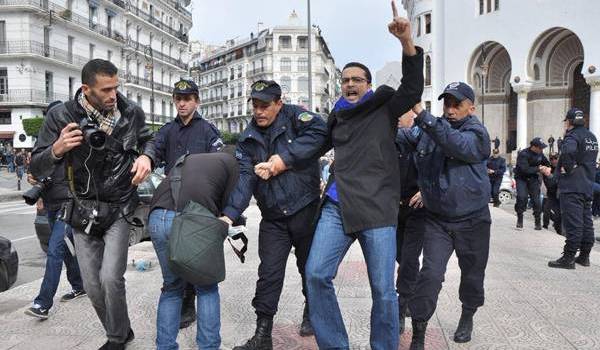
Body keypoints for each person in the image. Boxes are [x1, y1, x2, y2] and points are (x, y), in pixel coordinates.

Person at [305, 4, 424, 349]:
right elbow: (313, 146)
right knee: (316, 274)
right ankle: (334, 344)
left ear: (369, 85)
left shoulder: (384, 105)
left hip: (377, 208)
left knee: (383, 290)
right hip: (337, 205)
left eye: (357, 79)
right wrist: (280, 160)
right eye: (345, 79)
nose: (350, 84)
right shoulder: (336, 115)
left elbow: (413, 89)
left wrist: (407, 43)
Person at [30, 59, 157, 350]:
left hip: (121, 206)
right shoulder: (61, 116)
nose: (114, 95)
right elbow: (38, 166)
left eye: (116, 87)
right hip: (82, 210)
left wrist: (146, 157)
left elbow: (149, 141)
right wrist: (57, 149)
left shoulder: (131, 113)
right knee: (91, 285)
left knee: (111, 278)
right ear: (86, 89)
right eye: (106, 89)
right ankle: (122, 331)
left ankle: (115, 339)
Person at [220, 79, 328, 350]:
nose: (259, 111)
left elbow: (322, 135)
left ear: (279, 103)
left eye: (265, 105)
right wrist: (229, 215)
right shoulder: (246, 139)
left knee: (310, 271)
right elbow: (245, 180)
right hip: (273, 218)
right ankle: (262, 334)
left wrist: (284, 160)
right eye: (255, 105)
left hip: (305, 209)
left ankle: (312, 313)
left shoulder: (297, 117)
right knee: (269, 275)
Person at [396, 82, 491, 350]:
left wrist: (421, 115)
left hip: (473, 221)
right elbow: (403, 137)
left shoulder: (476, 133)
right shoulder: (429, 130)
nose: (449, 109)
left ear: (471, 108)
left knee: (472, 274)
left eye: (456, 104)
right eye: (446, 103)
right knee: (430, 276)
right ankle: (418, 334)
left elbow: (455, 144)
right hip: (438, 220)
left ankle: (467, 315)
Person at [151, 78, 224, 329]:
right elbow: (154, 147)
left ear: (196, 101)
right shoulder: (167, 130)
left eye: (187, 99)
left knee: (196, 260)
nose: (182, 104)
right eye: (178, 99)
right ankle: (183, 302)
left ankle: (189, 302)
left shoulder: (208, 131)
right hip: (172, 203)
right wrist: (145, 156)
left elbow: (220, 164)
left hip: (198, 205)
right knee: (176, 258)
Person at [148, 152, 239, 350]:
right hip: (188, 222)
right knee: (206, 287)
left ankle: (165, 346)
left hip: (157, 218)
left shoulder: (192, 159)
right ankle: (208, 347)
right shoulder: (233, 164)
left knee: (171, 287)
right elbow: (227, 208)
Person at [25, 101, 86, 320]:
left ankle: (43, 304)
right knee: (66, 250)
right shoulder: (46, 147)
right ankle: (79, 285)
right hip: (50, 203)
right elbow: (34, 169)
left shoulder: (75, 142)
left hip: (69, 204)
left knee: (54, 251)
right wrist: (35, 180)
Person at [548, 108, 598, 269]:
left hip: (572, 185)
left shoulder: (573, 136)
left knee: (573, 223)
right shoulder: (591, 137)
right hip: (587, 184)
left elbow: (568, 151)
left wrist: (568, 168)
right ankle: (584, 256)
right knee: (586, 222)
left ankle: (568, 258)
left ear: (569, 122)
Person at [395, 111, 425, 335]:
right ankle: (409, 292)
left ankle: (402, 303)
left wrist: (426, 191)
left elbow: (439, 167)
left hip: (417, 209)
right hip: (392, 208)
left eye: (401, 112)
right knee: (398, 255)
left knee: (408, 258)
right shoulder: (387, 137)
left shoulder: (425, 136)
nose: (396, 116)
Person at [513, 137, 550, 230]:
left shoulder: (540, 153)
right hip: (522, 178)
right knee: (522, 198)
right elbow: (525, 169)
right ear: (534, 147)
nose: (542, 149)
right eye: (540, 148)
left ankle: (537, 222)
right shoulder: (523, 154)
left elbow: (547, 163)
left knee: (537, 201)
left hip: (533, 179)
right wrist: (539, 169)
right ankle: (520, 217)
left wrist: (548, 168)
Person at [541, 153, 561, 235]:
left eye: (555, 158)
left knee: (559, 215)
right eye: (551, 159)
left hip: (561, 195)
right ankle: (545, 226)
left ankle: (559, 229)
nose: (553, 160)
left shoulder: (562, 168)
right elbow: (549, 184)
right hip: (551, 194)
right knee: (546, 210)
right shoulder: (548, 169)